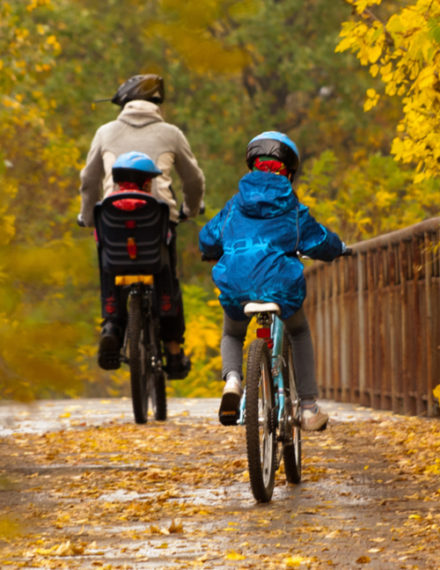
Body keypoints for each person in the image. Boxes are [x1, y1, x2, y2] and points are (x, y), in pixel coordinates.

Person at [199, 131, 347, 430]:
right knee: (300, 332)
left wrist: (212, 250)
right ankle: (307, 407)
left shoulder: (234, 205)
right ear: (289, 173)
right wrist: (339, 249)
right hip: (280, 286)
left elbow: (208, 237)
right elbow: (319, 240)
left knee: (232, 333)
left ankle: (232, 381)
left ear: (251, 165)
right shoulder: (292, 208)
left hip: (236, 285)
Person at [78, 74, 205, 377]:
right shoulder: (171, 133)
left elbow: (89, 180)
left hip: (113, 217)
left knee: (109, 265)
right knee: (167, 278)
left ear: (124, 102)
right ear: (155, 105)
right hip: (159, 218)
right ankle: (173, 352)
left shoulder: (105, 132)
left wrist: (89, 215)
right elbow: (194, 179)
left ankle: (110, 324)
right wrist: (189, 209)